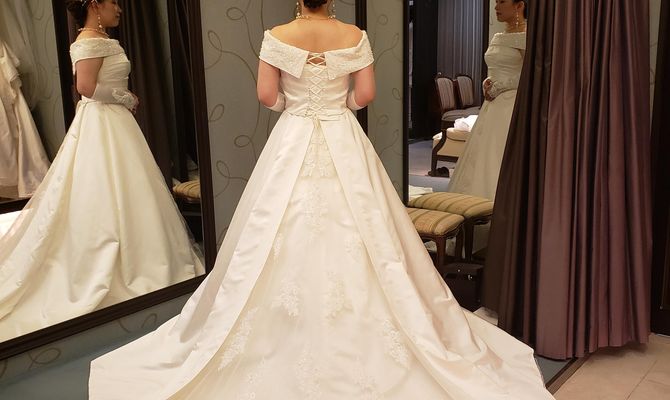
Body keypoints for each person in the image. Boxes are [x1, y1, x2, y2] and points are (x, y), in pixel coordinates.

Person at [88, 1, 553, 399]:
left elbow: (266, 95)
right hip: (341, 133)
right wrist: (336, 107)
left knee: (271, 228)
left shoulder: (277, 36)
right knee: (369, 228)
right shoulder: (354, 35)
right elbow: (365, 94)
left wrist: (295, 107)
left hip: (291, 136)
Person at [0, 0, 203, 341]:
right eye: (113, 2)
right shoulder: (88, 41)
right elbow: (85, 87)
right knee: (106, 187)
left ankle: (139, 257)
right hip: (103, 121)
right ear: (95, 4)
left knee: (128, 189)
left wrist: (123, 98)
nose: (119, 9)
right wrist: (126, 97)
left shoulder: (101, 39)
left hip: (113, 122)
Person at [448, 0, 528, 201]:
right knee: (481, 154)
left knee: (498, 153)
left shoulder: (527, 35)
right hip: (492, 104)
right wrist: (487, 82)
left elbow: (529, 74)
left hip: (512, 104)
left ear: (519, 6)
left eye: (502, 2)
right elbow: (494, 69)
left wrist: (500, 86)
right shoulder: (498, 36)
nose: (496, 7)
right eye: (496, 2)